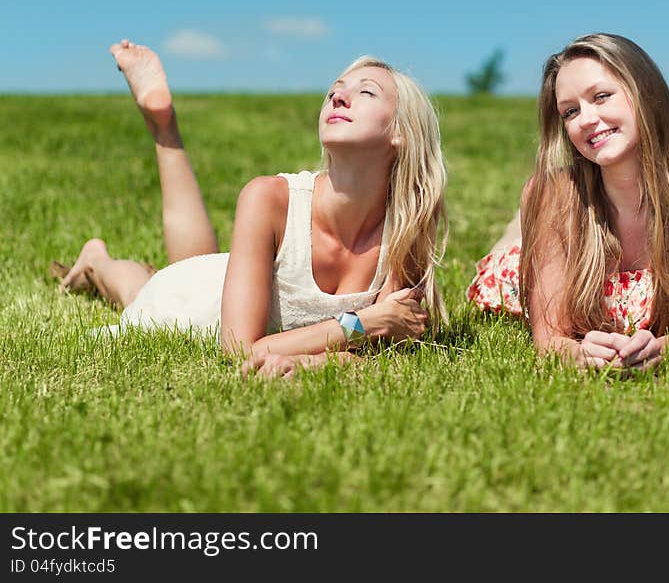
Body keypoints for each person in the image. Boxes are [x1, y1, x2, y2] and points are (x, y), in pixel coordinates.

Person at [56, 40, 447, 377]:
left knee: (194, 265)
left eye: (366, 93)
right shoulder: (269, 197)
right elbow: (242, 350)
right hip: (188, 304)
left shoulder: (404, 229)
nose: (338, 97)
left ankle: (100, 252)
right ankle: (97, 259)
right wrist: (358, 324)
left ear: (400, 132)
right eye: (335, 89)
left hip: (230, 278)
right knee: (142, 290)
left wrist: (316, 363)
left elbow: (383, 351)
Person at [467, 33, 669, 371]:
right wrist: (578, 354)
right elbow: (549, 337)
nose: (586, 120)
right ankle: (519, 227)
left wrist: (662, 349)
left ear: (645, 94)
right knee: (510, 247)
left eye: (602, 96)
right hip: (548, 235)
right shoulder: (553, 194)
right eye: (570, 112)